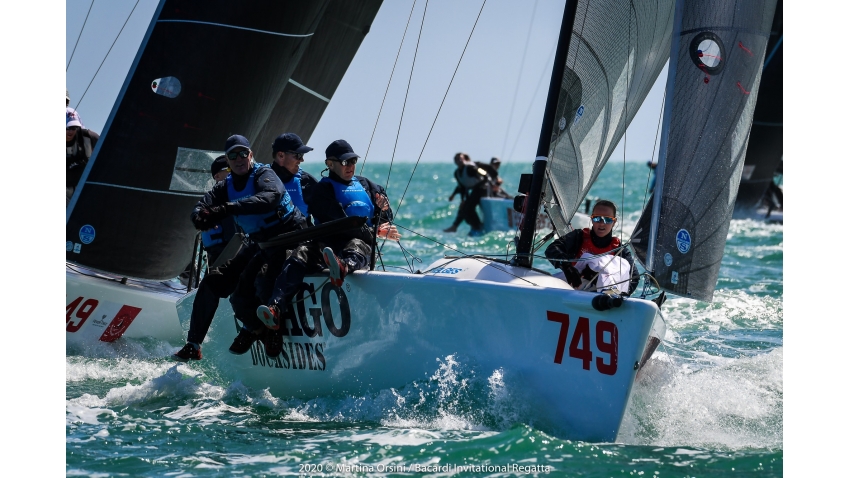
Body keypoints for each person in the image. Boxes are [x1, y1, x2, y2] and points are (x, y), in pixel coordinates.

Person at [172, 134, 306, 361]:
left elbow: (270, 198)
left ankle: (274, 332)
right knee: (215, 284)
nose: (239, 158)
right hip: (260, 243)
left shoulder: (264, 174)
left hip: (289, 238)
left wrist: (226, 209)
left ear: (251, 155)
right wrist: (200, 217)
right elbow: (201, 206)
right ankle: (195, 344)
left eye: (243, 153)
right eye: (233, 155)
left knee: (263, 280)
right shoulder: (226, 187)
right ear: (227, 159)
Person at [255, 139, 399, 331]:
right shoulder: (322, 190)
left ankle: (343, 267)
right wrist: (375, 230)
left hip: (359, 245)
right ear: (330, 164)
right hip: (328, 246)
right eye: (345, 162)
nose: (351, 166)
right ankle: (275, 307)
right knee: (301, 253)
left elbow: (385, 220)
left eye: (353, 161)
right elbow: (339, 221)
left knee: (356, 244)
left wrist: (384, 213)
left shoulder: (369, 186)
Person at [545, 199, 638, 295]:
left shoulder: (619, 250)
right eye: (597, 218)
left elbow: (634, 277)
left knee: (614, 264)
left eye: (607, 220)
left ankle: (612, 296)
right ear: (592, 219)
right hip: (574, 287)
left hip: (604, 296)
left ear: (614, 222)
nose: (602, 223)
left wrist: (625, 293)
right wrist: (566, 267)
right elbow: (552, 249)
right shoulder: (578, 237)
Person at [200, 155, 238, 266]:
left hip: (235, 252)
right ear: (217, 176)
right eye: (229, 169)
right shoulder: (214, 199)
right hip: (223, 254)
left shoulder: (237, 194)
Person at [443, 152, 487, 235]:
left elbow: (484, 174)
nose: (459, 160)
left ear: (464, 159)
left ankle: (478, 226)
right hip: (474, 190)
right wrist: (462, 200)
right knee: (464, 207)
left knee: (468, 207)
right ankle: (474, 226)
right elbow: (462, 188)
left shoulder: (471, 167)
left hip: (482, 188)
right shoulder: (457, 173)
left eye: (461, 158)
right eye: (457, 159)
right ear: (455, 162)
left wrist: (489, 180)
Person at [66, 107, 99, 205]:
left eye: (73, 128)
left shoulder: (90, 137)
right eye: (66, 128)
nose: (70, 131)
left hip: (85, 189)